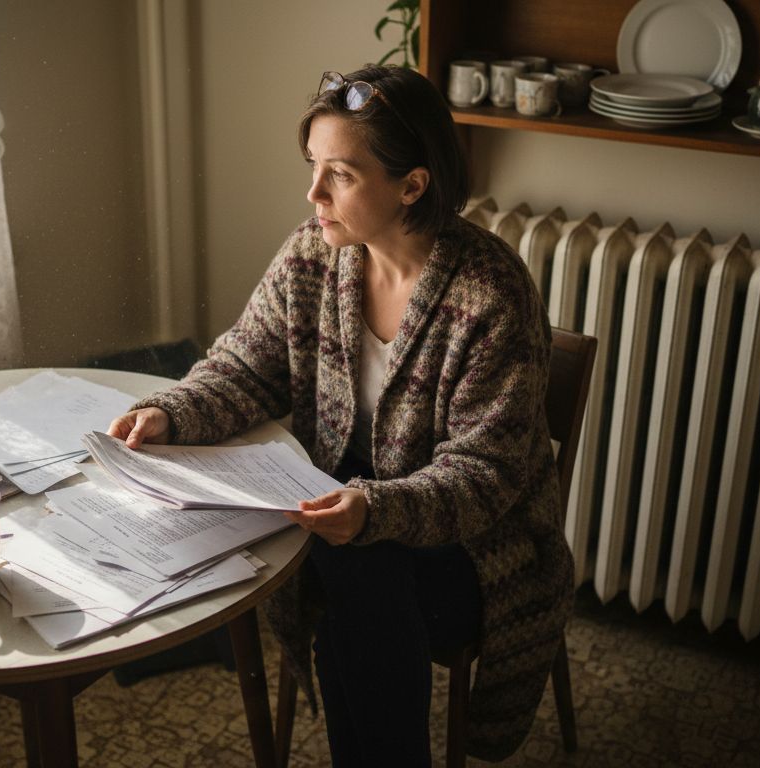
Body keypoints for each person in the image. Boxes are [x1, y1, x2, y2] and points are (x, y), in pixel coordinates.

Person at [107, 64, 573, 766]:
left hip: (478, 549)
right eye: (313, 167)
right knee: (334, 564)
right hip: (349, 508)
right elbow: (244, 365)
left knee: (353, 570)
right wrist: (171, 412)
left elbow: (486, 475)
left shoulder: (490, 295)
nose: (313, 194)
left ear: (412, 185)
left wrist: (370, 512)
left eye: (341, 176)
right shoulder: (313, 255)